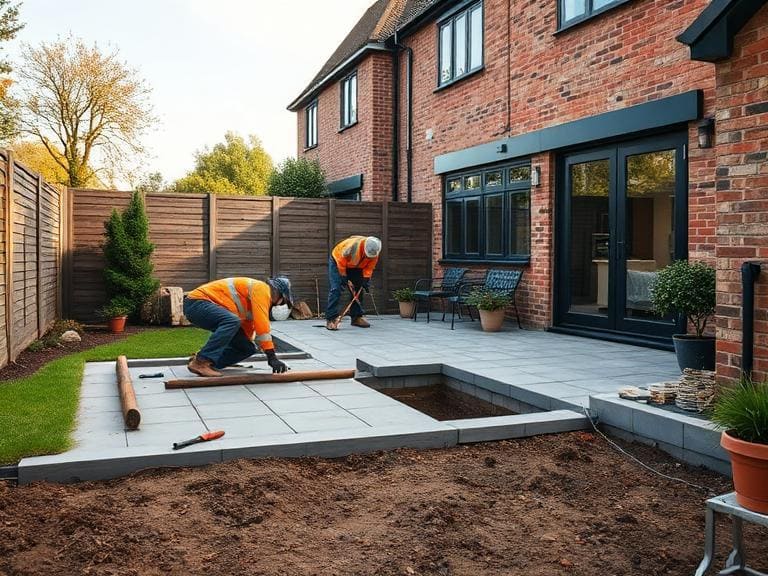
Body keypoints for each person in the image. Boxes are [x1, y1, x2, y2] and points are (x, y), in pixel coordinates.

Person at [183, 277, 294, 377]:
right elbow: (262, 325)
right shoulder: (263, 289)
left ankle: (205, 362)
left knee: (247, 348)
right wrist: (272, 357)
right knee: (232, 321)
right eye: (281, 302)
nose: (277, 305)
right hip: (197, 303)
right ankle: (201, 362)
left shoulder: (252, 300)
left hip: (201, 307)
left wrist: (250, 342)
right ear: (279, 293)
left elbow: (248, 328)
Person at [326, 235, 381, 330]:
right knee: (336, 288)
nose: (370, 256)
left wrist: (366, 279)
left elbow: (369, 267)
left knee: (358, 288)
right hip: (338, 261)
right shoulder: (351, 247)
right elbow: (341, 261)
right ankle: (331, 319)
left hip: (356, 266)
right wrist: (343, 276)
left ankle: (356, 317)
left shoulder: (374, 251)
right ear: (364, 248)